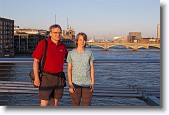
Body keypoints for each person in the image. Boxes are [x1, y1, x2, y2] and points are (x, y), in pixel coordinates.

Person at [32, 24, 68, 106]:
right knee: (44, 103)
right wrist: (37, 78)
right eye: (55, 32)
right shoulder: (43, 44)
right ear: (50, 33)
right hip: (46, 77)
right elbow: (36, 61)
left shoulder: (62, 46)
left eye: (59, 32)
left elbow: (70, 58)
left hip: (59, 77)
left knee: (55, 103)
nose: (58, 34)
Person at [67, 32, 95, 106]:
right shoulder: (71, 53)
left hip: (87, 83)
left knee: (86, 105)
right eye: (80, 40)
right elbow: (69, 69)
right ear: (77, 41)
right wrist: (70, 84)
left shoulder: (90, 53)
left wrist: (92, 82)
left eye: (84, 40)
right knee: (75, 105)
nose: (82, 42)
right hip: (75, 83)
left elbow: (92, 67)